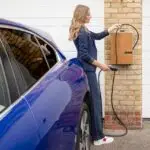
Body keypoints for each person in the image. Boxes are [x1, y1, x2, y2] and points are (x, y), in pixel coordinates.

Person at [69, 4, 120, 146]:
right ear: (82, 15)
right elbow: (84, 54)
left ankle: (95, 134)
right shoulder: (83, 32)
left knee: (93, 102)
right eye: (88, 14)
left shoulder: (83, 30)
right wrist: (100, 65)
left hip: (88, 70)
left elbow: (96, 36)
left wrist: (109, 30)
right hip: (89, 71)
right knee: (96, 103)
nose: (91, 16)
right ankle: (98, 137)